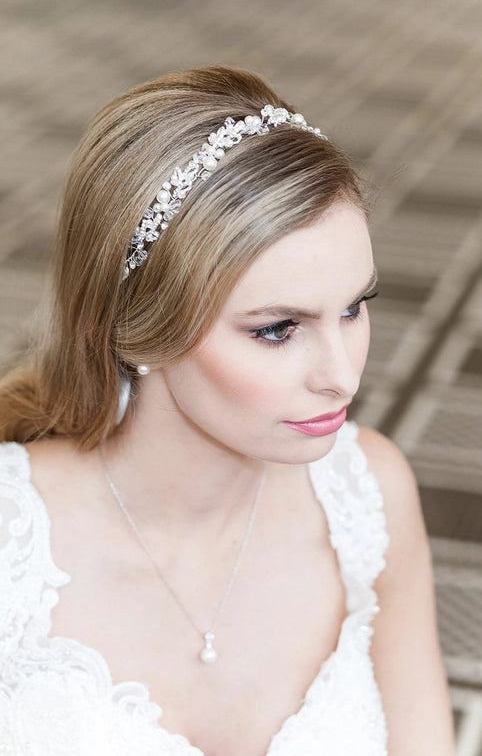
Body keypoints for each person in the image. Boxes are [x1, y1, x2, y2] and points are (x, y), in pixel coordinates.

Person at [0, 66, 454, 756]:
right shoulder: (13, 541)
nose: (342, 377)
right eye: (277, 329)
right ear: (138, 327)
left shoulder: (370, 494)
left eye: (353, 307)